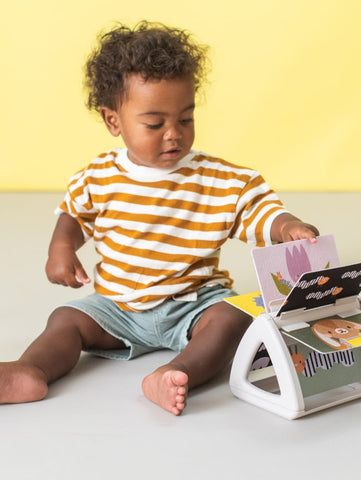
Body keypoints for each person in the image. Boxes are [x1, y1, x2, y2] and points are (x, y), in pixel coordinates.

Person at [0, 21, 319, 415]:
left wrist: (286, 226)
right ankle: (31, 370)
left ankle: (175, 372)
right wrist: (61, 249)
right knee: (66, 319)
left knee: (235, 315)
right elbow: (73, 216)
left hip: (194, 303)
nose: (174, 134)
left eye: (185, 119)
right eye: (155, 124)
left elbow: (256, 208)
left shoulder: (218, 179)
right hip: (117, 307)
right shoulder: (98, 176)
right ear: (113, 120)